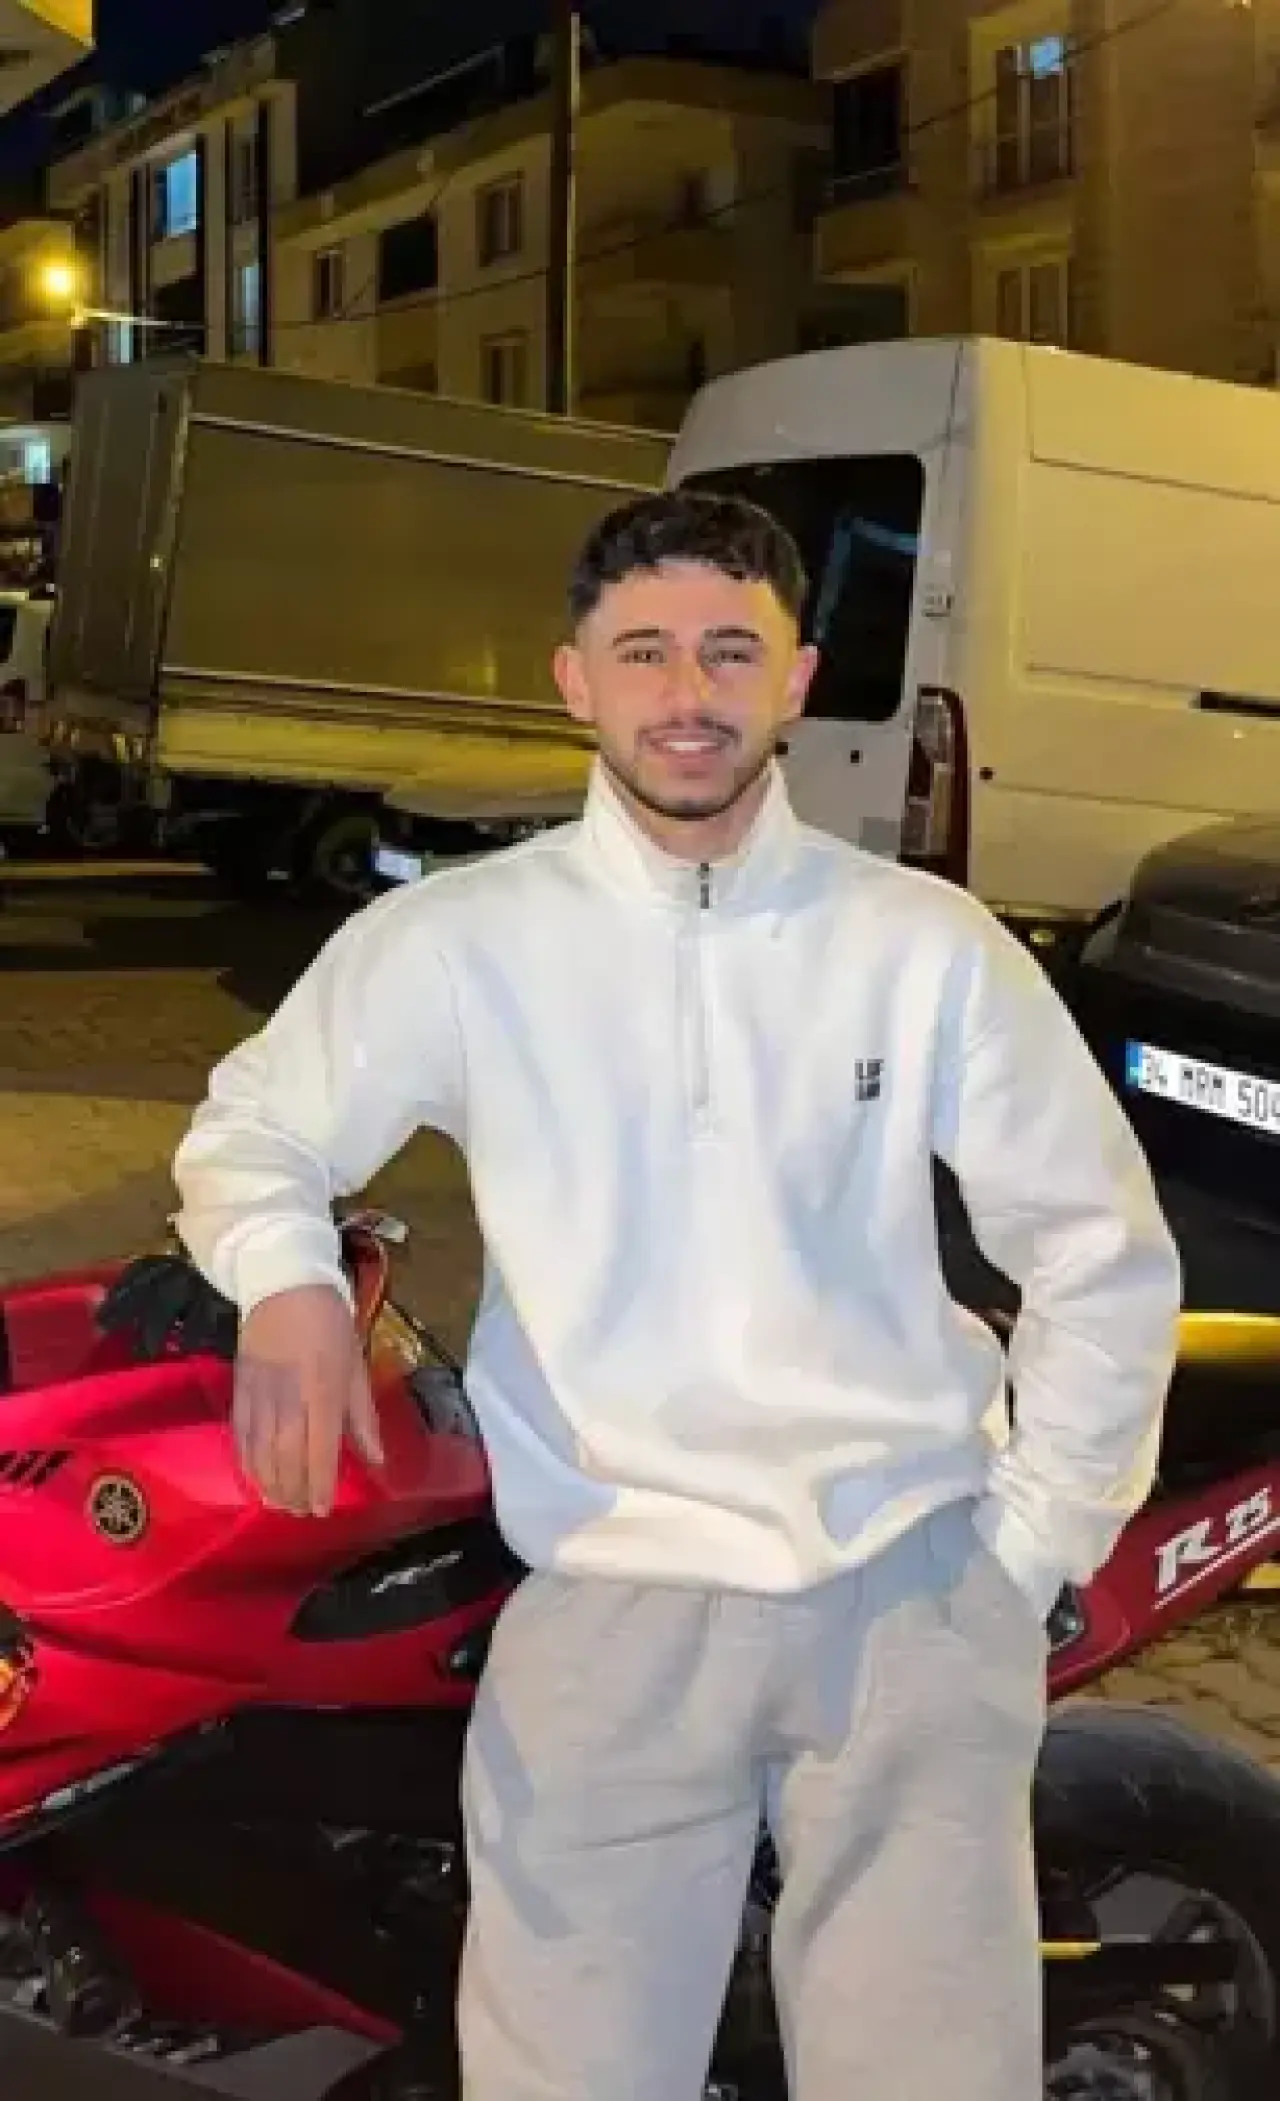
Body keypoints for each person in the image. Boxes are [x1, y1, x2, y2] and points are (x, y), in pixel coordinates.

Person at [172, 490, 1182, 2101]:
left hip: (906, 1593)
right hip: (605, 1604)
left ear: (797, 680)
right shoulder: (461, 941)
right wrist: (287, 1283)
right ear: (576, 679)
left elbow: (1099, 1245)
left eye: (731, 650)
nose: (688, 692)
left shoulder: (922, 945)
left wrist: (1021, 1556)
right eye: (644, 652)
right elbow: (253, 1132)